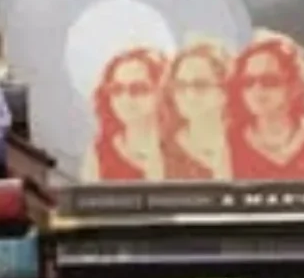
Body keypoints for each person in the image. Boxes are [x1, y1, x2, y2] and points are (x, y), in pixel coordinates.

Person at [226, 30, 304, 179]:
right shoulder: (231, 143)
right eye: (248, 82)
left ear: (294, 86)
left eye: (269, 81)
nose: (257, 90)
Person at [85, 46, 169, 180]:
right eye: (117, 89)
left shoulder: (183, 148)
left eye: (139, 88)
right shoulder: (100, 152)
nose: (126, 98)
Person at [162, 37, 235, 179]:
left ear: (224, 91)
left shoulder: (245, 143)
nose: (189, 95)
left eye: (200, 85)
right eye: (181, 86)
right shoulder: (165, 151)